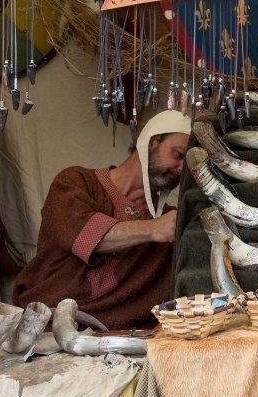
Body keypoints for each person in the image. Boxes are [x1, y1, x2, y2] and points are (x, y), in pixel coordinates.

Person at [13, 111, 191, 330]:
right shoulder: (75, 182)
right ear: (153, 142)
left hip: (118, 343)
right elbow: (84, 235)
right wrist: (153, 229)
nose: (182, 168)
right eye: (180, 155)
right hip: (45, 330)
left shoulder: (172, 221)